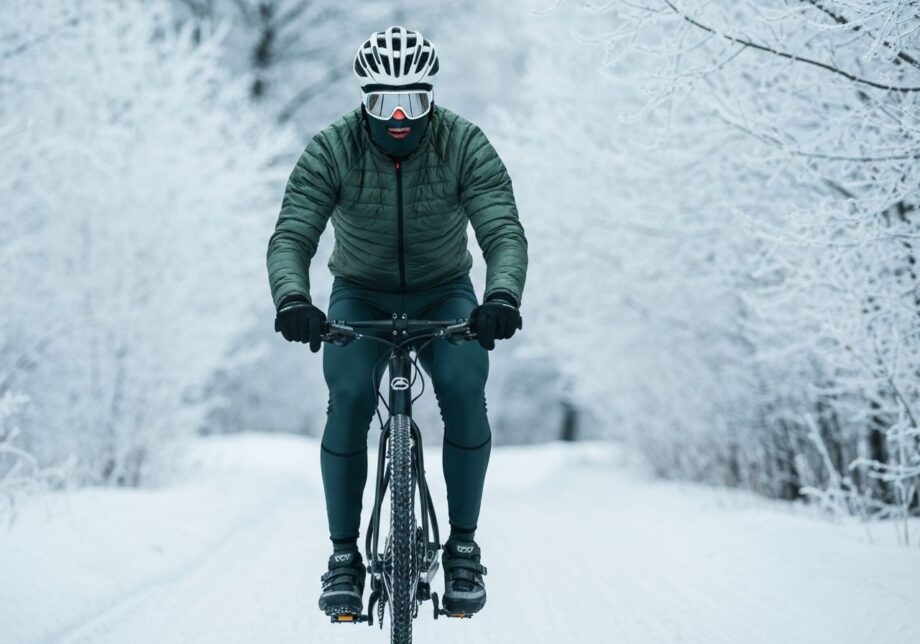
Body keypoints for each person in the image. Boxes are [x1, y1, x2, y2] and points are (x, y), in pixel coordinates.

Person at [266, 25, 528, 618]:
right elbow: (292, 235)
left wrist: (502, 296)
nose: (400, 116)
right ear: (366, 101)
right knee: (352, 394)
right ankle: (343, 558)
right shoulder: (332, 148)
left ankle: (463, 547)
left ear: (431, 98)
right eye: (385, 103)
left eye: (414, 101)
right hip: (360, 295)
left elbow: (502, 230)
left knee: (464, 387)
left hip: (446, 294)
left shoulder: (464, 143)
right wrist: (293, 300)